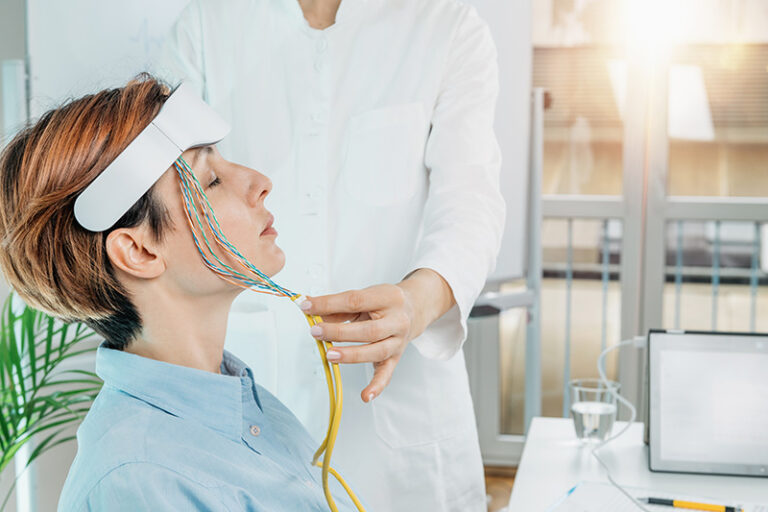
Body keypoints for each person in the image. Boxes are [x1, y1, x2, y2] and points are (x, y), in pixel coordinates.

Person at [161, 0, 505, 510]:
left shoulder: (445, 23)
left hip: (399, 410)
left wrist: (415, 303)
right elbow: (167, 198)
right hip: (252, 391)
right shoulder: (206, 27)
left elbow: (470, 200)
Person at [0, 76, 359, 511]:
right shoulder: (141, 482)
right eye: (210, 181)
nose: (259, 182)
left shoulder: (247, 409)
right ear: (139, 250)